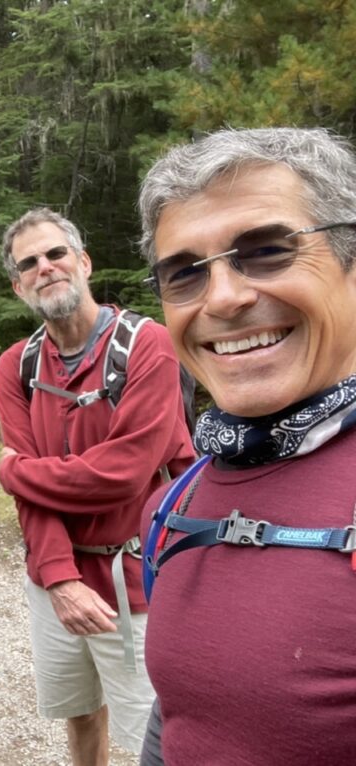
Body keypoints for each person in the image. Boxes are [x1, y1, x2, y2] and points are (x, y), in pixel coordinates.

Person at [137, 127, 356, 764]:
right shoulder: (182, 497)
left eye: (266, 252)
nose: (224, 297)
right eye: (184, 274)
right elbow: (180, 715)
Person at [0, 208, 194, 763]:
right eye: (29, 263)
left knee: (158, 730)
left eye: (56, 254)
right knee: (80, 711)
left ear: (83, 261)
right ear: (18, 286)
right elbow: (34, 499)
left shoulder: (148, 344)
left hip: (139, 580)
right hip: (56, 578)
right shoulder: (17, 366)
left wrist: (15, 471)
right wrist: (58, 578)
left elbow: (125, 471)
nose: (46, 268)